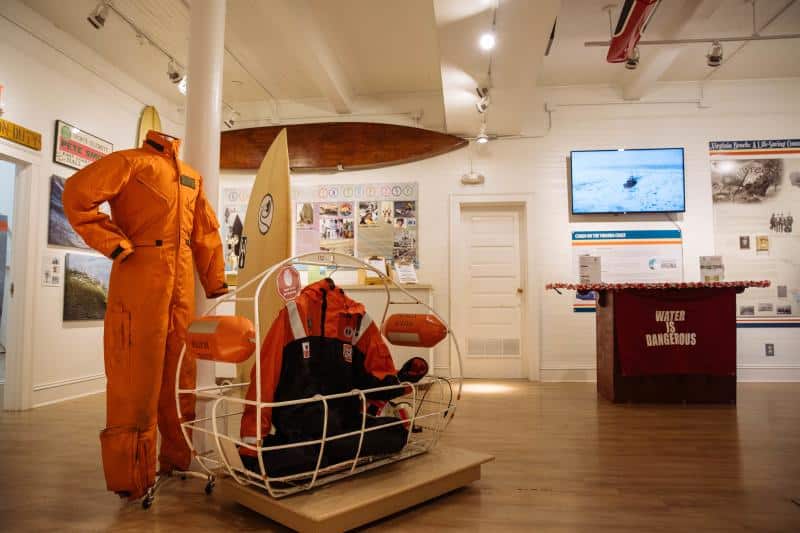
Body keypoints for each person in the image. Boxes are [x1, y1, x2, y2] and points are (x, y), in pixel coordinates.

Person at [62, 130, 227, 500]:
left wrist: (214, 281)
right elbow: (76, 195)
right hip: (140, 272)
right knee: (134, 375)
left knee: (179, 371)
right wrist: (115, 244)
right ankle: (132, 477)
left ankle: (176, 457)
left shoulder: (190, 177)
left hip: (181, 279)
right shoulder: (128, 163)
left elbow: (206, 234)